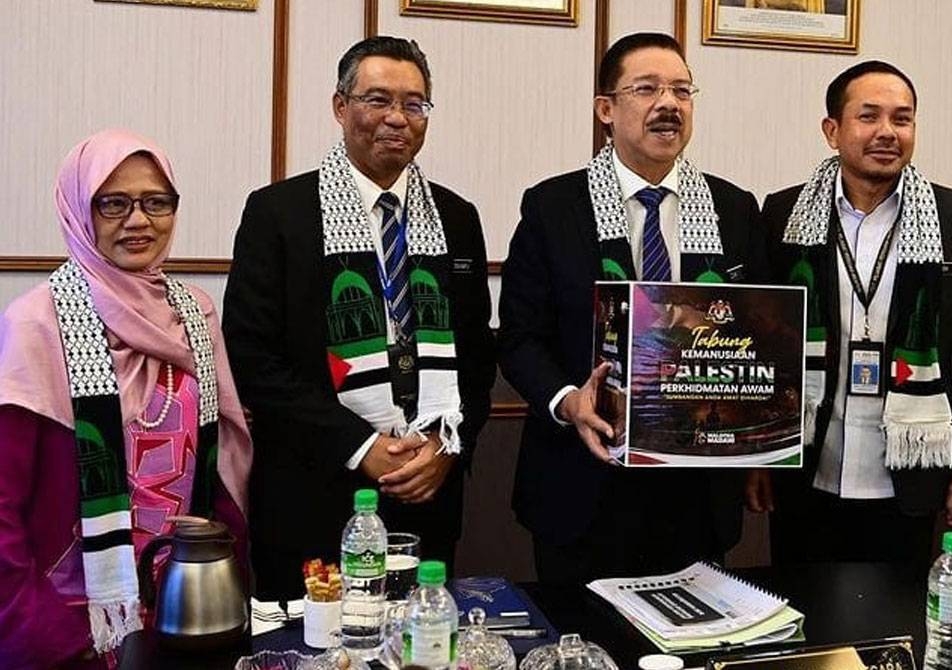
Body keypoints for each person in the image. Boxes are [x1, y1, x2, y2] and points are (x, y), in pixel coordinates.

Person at [223, 36, 495, 600]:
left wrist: (448, 448)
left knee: (420, 639)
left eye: (414, 104)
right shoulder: (279, 214)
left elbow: (476, 357)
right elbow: (252, 359)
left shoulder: (456, 218)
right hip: (313, 497)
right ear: (340, 107)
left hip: (427, 495)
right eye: (378, 100)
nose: (397, 117)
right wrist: (360, 445)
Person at [498, 32, 764, 582]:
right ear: (606, 109)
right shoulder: (554, 207)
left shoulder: (734, 209)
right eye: (647, 89)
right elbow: (520, 338)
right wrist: (569, 402)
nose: (669, 104)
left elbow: (757, 335)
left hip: (696, 493)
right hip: (582, 484)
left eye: (681, 91)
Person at [0, 129, 252, 668]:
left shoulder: (194, 314)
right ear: (78, 210)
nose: (139, 221)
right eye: (113, 203)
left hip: (184, 609)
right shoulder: (35, 325)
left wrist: (227, 586)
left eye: (156, 202)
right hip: (70, 625)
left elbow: (222, 468)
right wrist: (47, 636)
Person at [745, 61, 952, 572]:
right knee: (804, 608)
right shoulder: (784, 214)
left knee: (896, 612)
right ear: (832, 130)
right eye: (869, 117)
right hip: (806, 468)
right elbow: (763, 348)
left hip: (909, 473)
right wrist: (757, 457)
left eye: (902, 119)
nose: (887, 132)